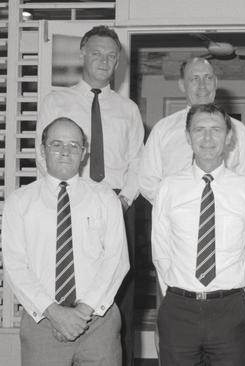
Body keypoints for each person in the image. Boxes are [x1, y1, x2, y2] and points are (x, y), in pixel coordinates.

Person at [36, 25, 143, 365]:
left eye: (111, 56)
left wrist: (122, 200)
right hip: (67, 205)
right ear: (82, 54)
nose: (104, 60)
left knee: (117, 298)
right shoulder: (56, 100)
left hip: (116, 205)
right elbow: (43, 156)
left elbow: (136, 162)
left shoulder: (127, 109)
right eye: (96, 52)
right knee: (69, 283)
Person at [2, 117, 130, 365]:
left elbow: (116, 260)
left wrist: (83, 311)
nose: (65, 152)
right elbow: (15, 266)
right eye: (56, 144)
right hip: (43, 322)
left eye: (74, 145)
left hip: (98, 322)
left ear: (84, 153)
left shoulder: (105, 198)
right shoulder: (20, 202)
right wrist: (54, 312)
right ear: (42, 149)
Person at [151, 103, 245, 365]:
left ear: (228, 137)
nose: (207, 138)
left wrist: (241, 299)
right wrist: (177, 292)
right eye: (199, 130)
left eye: (216, 130)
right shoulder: (168, 188)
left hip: (230, 309)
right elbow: (161, 251)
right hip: (180, 308)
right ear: (188, 137)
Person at [138, 57, 245, 204]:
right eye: (194, 79)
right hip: (174, 218)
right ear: (182, 85)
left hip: (224, 216)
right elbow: (147, 180)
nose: (202, 85)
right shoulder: (163, 129)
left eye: (208, 78)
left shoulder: (237, 130)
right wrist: (173, 205)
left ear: (215, 83)